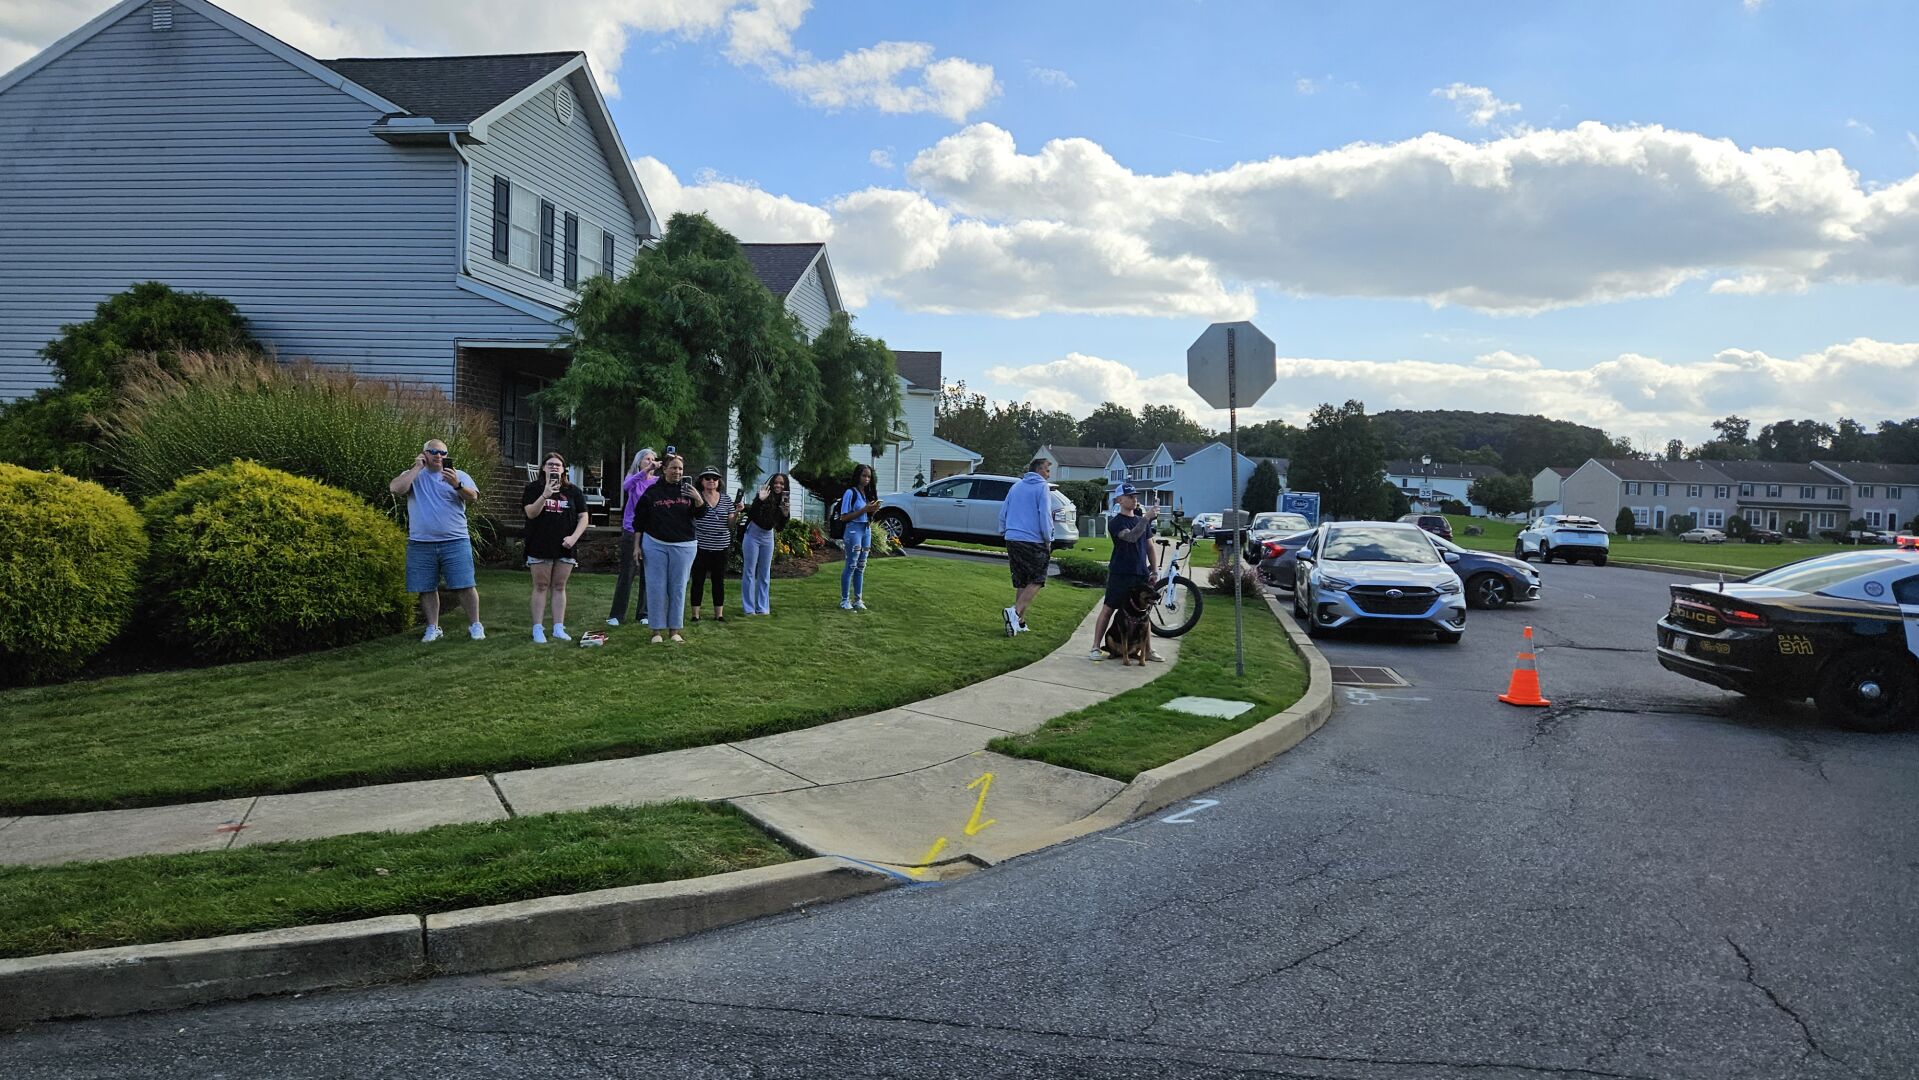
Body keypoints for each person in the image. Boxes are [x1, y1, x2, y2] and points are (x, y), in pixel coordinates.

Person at [388, 440, 484, 642]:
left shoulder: (459, 475)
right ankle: (433, 627)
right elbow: (396, 488)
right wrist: (416, 468)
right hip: (421, 542)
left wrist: (456, 484)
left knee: (465, 584)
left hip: (455, 540)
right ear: (424, 453)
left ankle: (475, 624)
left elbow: (473, 498)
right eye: (433, 452)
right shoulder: (414, 475)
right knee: (426, 587)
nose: (438, 456)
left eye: (442, 452)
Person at [633, 454, 706, 643]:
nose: (677, 472)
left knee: (678, 587)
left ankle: (674, 630)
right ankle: (656, 631)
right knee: (656, 587)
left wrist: (698, 499)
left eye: (680, 469)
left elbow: (701, 515)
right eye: (673, 468)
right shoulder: (651, 492)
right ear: (664, 469)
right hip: (655, 544)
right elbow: (639, 522)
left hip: (684, 546)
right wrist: (636, 547)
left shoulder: (689, 491)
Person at [522, 451, 590, 643]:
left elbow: (584, 517)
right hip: (540, 544)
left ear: (563, 470)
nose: (554, 467)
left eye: (557, 465)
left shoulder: (573, 491)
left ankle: (558, 628)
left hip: (565, 545)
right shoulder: (533, 489)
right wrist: (545, 495)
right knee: (541, 586)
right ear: (543, 468)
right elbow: (531, 513)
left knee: (560, 587)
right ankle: (538, 629)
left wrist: (574, 537)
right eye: (550, 464)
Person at [1093, 483, 1164, 662]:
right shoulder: (1116, 522)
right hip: (1120, 572)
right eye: (1130, 496)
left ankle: (1147, 650)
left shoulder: (1140, 519)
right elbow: (1131, 537)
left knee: (1144, 612)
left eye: (1135, 496)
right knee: (1109, 607)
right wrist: (1146, 518)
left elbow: (1149, 545)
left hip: (1140, 572)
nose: (1134, 499)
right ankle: (1095, 646)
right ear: (1119, 500)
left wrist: (1154, 570)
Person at [998, 457, 1056, 636]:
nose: (1048, 474)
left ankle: (1019, 623)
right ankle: (1014, 612)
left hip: (1012, 537)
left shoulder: (1016, 486)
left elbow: (1004, 510)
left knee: (1022, 580)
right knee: (1038, 579)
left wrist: (1003, 530)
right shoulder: (1042, 488)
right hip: (1032, 540)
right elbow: (1044, 516)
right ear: (1039, 470)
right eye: (1047, 470)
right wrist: (1049, 539)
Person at [607, 447, 658, 628]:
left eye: (653, 459)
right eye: (647, 459)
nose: (651, 462)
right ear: (639, 463)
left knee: (648, 573)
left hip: (651, 531)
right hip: (630, 530)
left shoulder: (658, 482)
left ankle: (643, 613)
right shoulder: (634, 480)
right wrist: (645, 471)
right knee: (627, 572)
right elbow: (625, 487)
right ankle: (616, 615)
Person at [689, 466, 738, 622]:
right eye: (708, 478)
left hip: (721, 546)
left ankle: (719, 614)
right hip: (701, 545)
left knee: (719, 581)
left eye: (715, 478)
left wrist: (736, 513)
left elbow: (730, 525)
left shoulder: (726, 499)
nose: (711, 481)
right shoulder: (696, 497)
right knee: (698, 580)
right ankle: (695, 615)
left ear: (719, 481)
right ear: (701, 481)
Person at [739, 472, 791, 616]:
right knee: (749, 571)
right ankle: (749, 609)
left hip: (768, 537)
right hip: (753, 534)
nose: (778, 485)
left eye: (782, 483)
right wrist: (760, 500)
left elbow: (779, 527)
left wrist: (785, 514)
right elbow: (752, 515)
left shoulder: (784, 501)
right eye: (776, 482)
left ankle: (762, 607)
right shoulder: (763, 494)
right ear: (771, 483)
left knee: (764, 573)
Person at [836, 464, 882, 611]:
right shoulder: (850, 493)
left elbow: (866, 513)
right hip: (853, 530)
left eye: (869, 476)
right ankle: (844, 600)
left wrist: (872, 510)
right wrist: (864, 509)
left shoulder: (866, 493)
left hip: (866, 530)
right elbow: (843, 517)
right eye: (864, 475)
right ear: (858, 476)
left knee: (861, 565)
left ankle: (858, 599)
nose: (867, 479)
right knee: (851, 564)